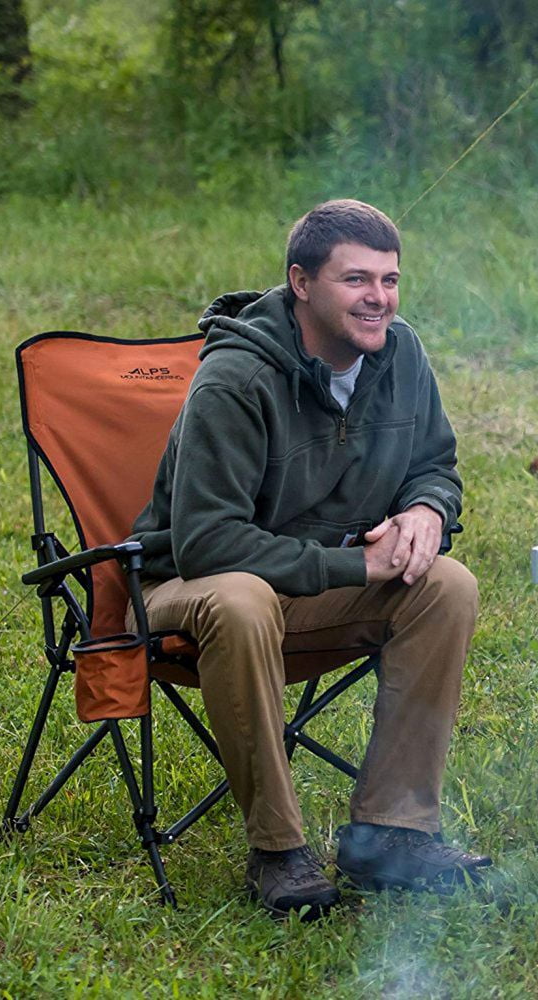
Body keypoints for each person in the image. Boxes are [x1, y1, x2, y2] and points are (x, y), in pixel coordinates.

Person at [129, 199, 489, 919]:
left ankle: (392, 833)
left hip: (305, 593)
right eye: (356, 280)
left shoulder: (402, 355)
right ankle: (278, 851)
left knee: (446, 584)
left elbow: (435, 465)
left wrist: (426, 510)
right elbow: (207, 544)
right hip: (186, 592)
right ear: (301, 283)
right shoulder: (237, 377)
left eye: (389, 280)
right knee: (240, 596)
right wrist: (356, 568)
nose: (378, 299)